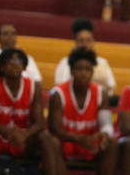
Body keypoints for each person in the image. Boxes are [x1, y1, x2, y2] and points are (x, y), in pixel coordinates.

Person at [0, 48, 58, 174]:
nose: (15, 63)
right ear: (1, 67)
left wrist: (25, 134)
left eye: (19, 61)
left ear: (24, 67)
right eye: (10, 60)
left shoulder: (34, 86)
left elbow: (39, 122)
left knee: (45, 137)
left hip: (23, 139)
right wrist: (5, 130)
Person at [49, 47, 118, 175]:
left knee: (112, 142)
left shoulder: (100, 93)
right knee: (52, 141)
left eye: (87, 69)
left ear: (92, 72)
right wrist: (80, 138)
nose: (83, 73)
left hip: (90, 141)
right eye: (79, 69)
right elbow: (55, 129)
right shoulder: (58, 93)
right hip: (67, 142)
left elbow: (107, 124)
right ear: (71, 71)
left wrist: (104, 135)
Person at [0, 23, 43, 111]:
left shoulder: (27, 58)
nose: (10, 37)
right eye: (6, 33)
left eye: (13, 33)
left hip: (20, 104)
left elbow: (37, 82)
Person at [54, 18, 117, 97]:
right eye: (81, 40)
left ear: (93, 42)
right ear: (76, 43)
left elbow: (112, 86)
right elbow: (60, 86)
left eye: (88, 40)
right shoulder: (65, 62)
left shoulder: (102, 62)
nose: (85, 44)